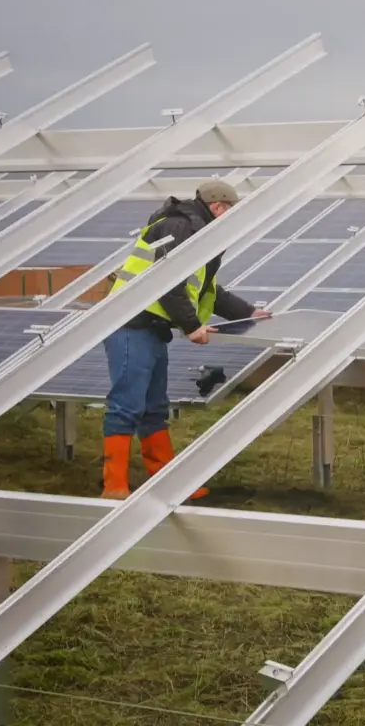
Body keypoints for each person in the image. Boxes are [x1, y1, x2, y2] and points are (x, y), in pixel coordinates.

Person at [100, 180, 271, 501]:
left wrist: (249, 312)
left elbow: (206, 290)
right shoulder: (180, 227)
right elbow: (169, 283)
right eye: (232, 212)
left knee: (153, 408)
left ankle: (166, 482)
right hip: (129, 324)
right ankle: (114, 487)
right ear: (219, 207)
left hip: (151, 328)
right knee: (127, 406)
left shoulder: (198, 231)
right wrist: (192, 326)